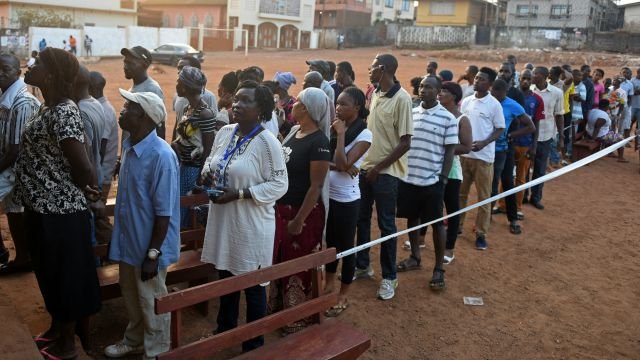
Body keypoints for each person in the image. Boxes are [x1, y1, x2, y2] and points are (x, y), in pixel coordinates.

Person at [14, 47, 101, 359]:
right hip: (41, 210)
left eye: (37, 63)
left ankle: (67, 346)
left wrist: (77, 189)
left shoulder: (64, 111)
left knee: (64, 278)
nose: (30, 65)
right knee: (49, 273)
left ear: (50, 75)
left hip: (61, 213)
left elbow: (83, 166)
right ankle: (55, 329)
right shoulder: (46, 107)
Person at [200, 80, 288, 351]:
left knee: (252, 284)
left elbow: (279, 184)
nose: (237, 104)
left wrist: (240, 194)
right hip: (224, 219)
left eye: (246, 101)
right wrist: (207, 175)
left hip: (251, 224)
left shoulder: (266, 142)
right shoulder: (225, 132)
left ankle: (253, 344)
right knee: (226, 276)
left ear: (260, 109)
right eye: (236, 99)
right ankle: (224, 330)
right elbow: (211, 160)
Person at [104, 90, 179, 359]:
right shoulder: (129, 146)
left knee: (151, 300)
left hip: (150, 247)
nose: (121, 111)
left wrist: (152, 254)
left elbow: (164, 213)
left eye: (128, 107)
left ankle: (157, 351)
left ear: (144, 116)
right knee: (131, 295)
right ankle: (134, 339)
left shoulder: (162, 156)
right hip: (129, 240)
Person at [272, 87, 331, 332]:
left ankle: (296, 316)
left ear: (305, 108)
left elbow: (315, 186)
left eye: (297, 101)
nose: (292, 103)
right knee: (279, 259)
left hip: (303, 214)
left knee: (298, 264)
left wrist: (299, 219)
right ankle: (277, 310)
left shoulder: (319, 142)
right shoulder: (295, 131)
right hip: (282, 209)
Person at [354, 54, 412, 301]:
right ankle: (363, 265)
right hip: (366, 169)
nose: (369, 70)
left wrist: (378, 167)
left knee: (387, 225)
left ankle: (389, 278)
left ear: (383, 68)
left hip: (386, 174)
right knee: (362, 219)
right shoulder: (375, 93)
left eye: (372, 66)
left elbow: (405, 142)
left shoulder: (402, 99)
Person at [395, 76, 456, 290]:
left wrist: (443, 178)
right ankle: (415, 257)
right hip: (409, 178)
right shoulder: (411, 113)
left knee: (437, 224)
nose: (423, 90)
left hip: (433, 181)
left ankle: (439, 268)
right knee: (413, 218)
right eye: (421, 86)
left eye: (429, 87)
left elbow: (449, 152)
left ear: (438, 91)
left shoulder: (448, 118)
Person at [324, 86, 372, 317]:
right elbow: (329, 161)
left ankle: (343, 295)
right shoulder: (333, 127)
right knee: (330, 244)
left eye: (343, 104)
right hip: (327, 195)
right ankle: (328, 285)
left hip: (346, 199)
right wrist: (343, 166)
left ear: (357, 107)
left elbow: (341, 163)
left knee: (346, 248)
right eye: (337, 103)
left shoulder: (364, 134)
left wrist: (342, 135)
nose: (338, 107)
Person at [0, 53, 40, 275]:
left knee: (16, 211)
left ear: (17, 72)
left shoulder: (22, 102)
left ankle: (18, 255)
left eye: (5, 69)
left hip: (17, 168)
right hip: (10, 166)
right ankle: (22, 257)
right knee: (13, 211)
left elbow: (15, 151)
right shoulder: (5, 98)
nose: (0, 73)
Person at [458, 67, 505, 250]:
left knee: (484, 198)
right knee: (460, 194)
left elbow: (500, 128)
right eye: (476, 77)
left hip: (484, 158)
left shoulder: (494, 104)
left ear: (490, 84)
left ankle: (481, 233)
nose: (477, 81)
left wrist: (485, 143)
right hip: (464, 156)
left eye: (482, 79)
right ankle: (458, 226)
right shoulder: (467, 101)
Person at [172, 66, 218, 228]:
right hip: (184, 168)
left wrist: (199, 181)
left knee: (190, 215)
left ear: (185, 86)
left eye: (178, 82)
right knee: (180, 212)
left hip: (194, 172)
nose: (176, 85)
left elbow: (208, 149)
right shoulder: (187, 109)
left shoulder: (205, 113)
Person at [489, 79, 535, 235]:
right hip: (486, 149)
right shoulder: (486, 102)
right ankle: (486, 217)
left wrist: (511, 134)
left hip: (505, 149)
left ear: (504, 92)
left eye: (497, 91)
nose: (493, 93)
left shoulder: (512, 105)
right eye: (492, 90)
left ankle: (513, 218)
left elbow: (531, 126)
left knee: (507, 182)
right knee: (490, 184)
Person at [438, 82, 472, 265]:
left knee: (451, 211)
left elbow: (467, 146)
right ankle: (419, 241)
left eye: (444, 91)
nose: (440, 94)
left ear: (454, 97)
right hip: (432, 168)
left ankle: (449, 249)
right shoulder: (436, 114)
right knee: (428, 207)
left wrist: (443, 148)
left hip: (451, 172)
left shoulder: (462, 119)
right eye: (440, 90)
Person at [506, 69, 543, 218]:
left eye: (528, 79)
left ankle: (518, 206)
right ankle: (502, 205)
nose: (526, 81)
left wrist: (534, 146)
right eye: (523, 78)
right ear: (519, 79)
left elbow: (536, 124)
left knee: (521, 177)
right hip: (510, 143)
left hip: (525, 143)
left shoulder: (537, 100)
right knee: (507, 176)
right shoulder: (511, 96)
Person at [88, 71, 119, 245]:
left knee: (98, 218)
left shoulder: (103, 110)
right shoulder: (102, 107)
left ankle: (114, 250)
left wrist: (92, 177)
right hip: (102, 174)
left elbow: (100, 149)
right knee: (98, 218)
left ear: (90, 88)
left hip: (101, 176)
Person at [530, 66, 564, 210]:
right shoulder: (529, 90)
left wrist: (561, 137)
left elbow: (559, 114)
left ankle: (536, 197)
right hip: (528, 135)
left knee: (540, 168)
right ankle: (523, 196)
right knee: (524, 167)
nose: (533, 76)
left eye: (536, 74)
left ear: (545, 76)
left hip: (546, 135)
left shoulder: (556, 93)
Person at [121, 46, 165, 139]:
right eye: (125, 62)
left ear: (144, 64)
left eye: (130, 63)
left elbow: (159, 127)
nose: (125, 67)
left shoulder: (152, 89)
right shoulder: (133, 89)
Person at [172, 56, 218, 141]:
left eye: (183, 68)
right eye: (178, 68)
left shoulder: (208, 98)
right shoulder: (180, 99)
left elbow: (212, 130)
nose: (179, 72)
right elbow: (177, 121)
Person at [272, 71, 297, 137]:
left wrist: (281, 118)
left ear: (281, 88)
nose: (273, 87)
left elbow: (293, 127)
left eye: (275, 84)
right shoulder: (274, 99)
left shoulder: (293, 104)